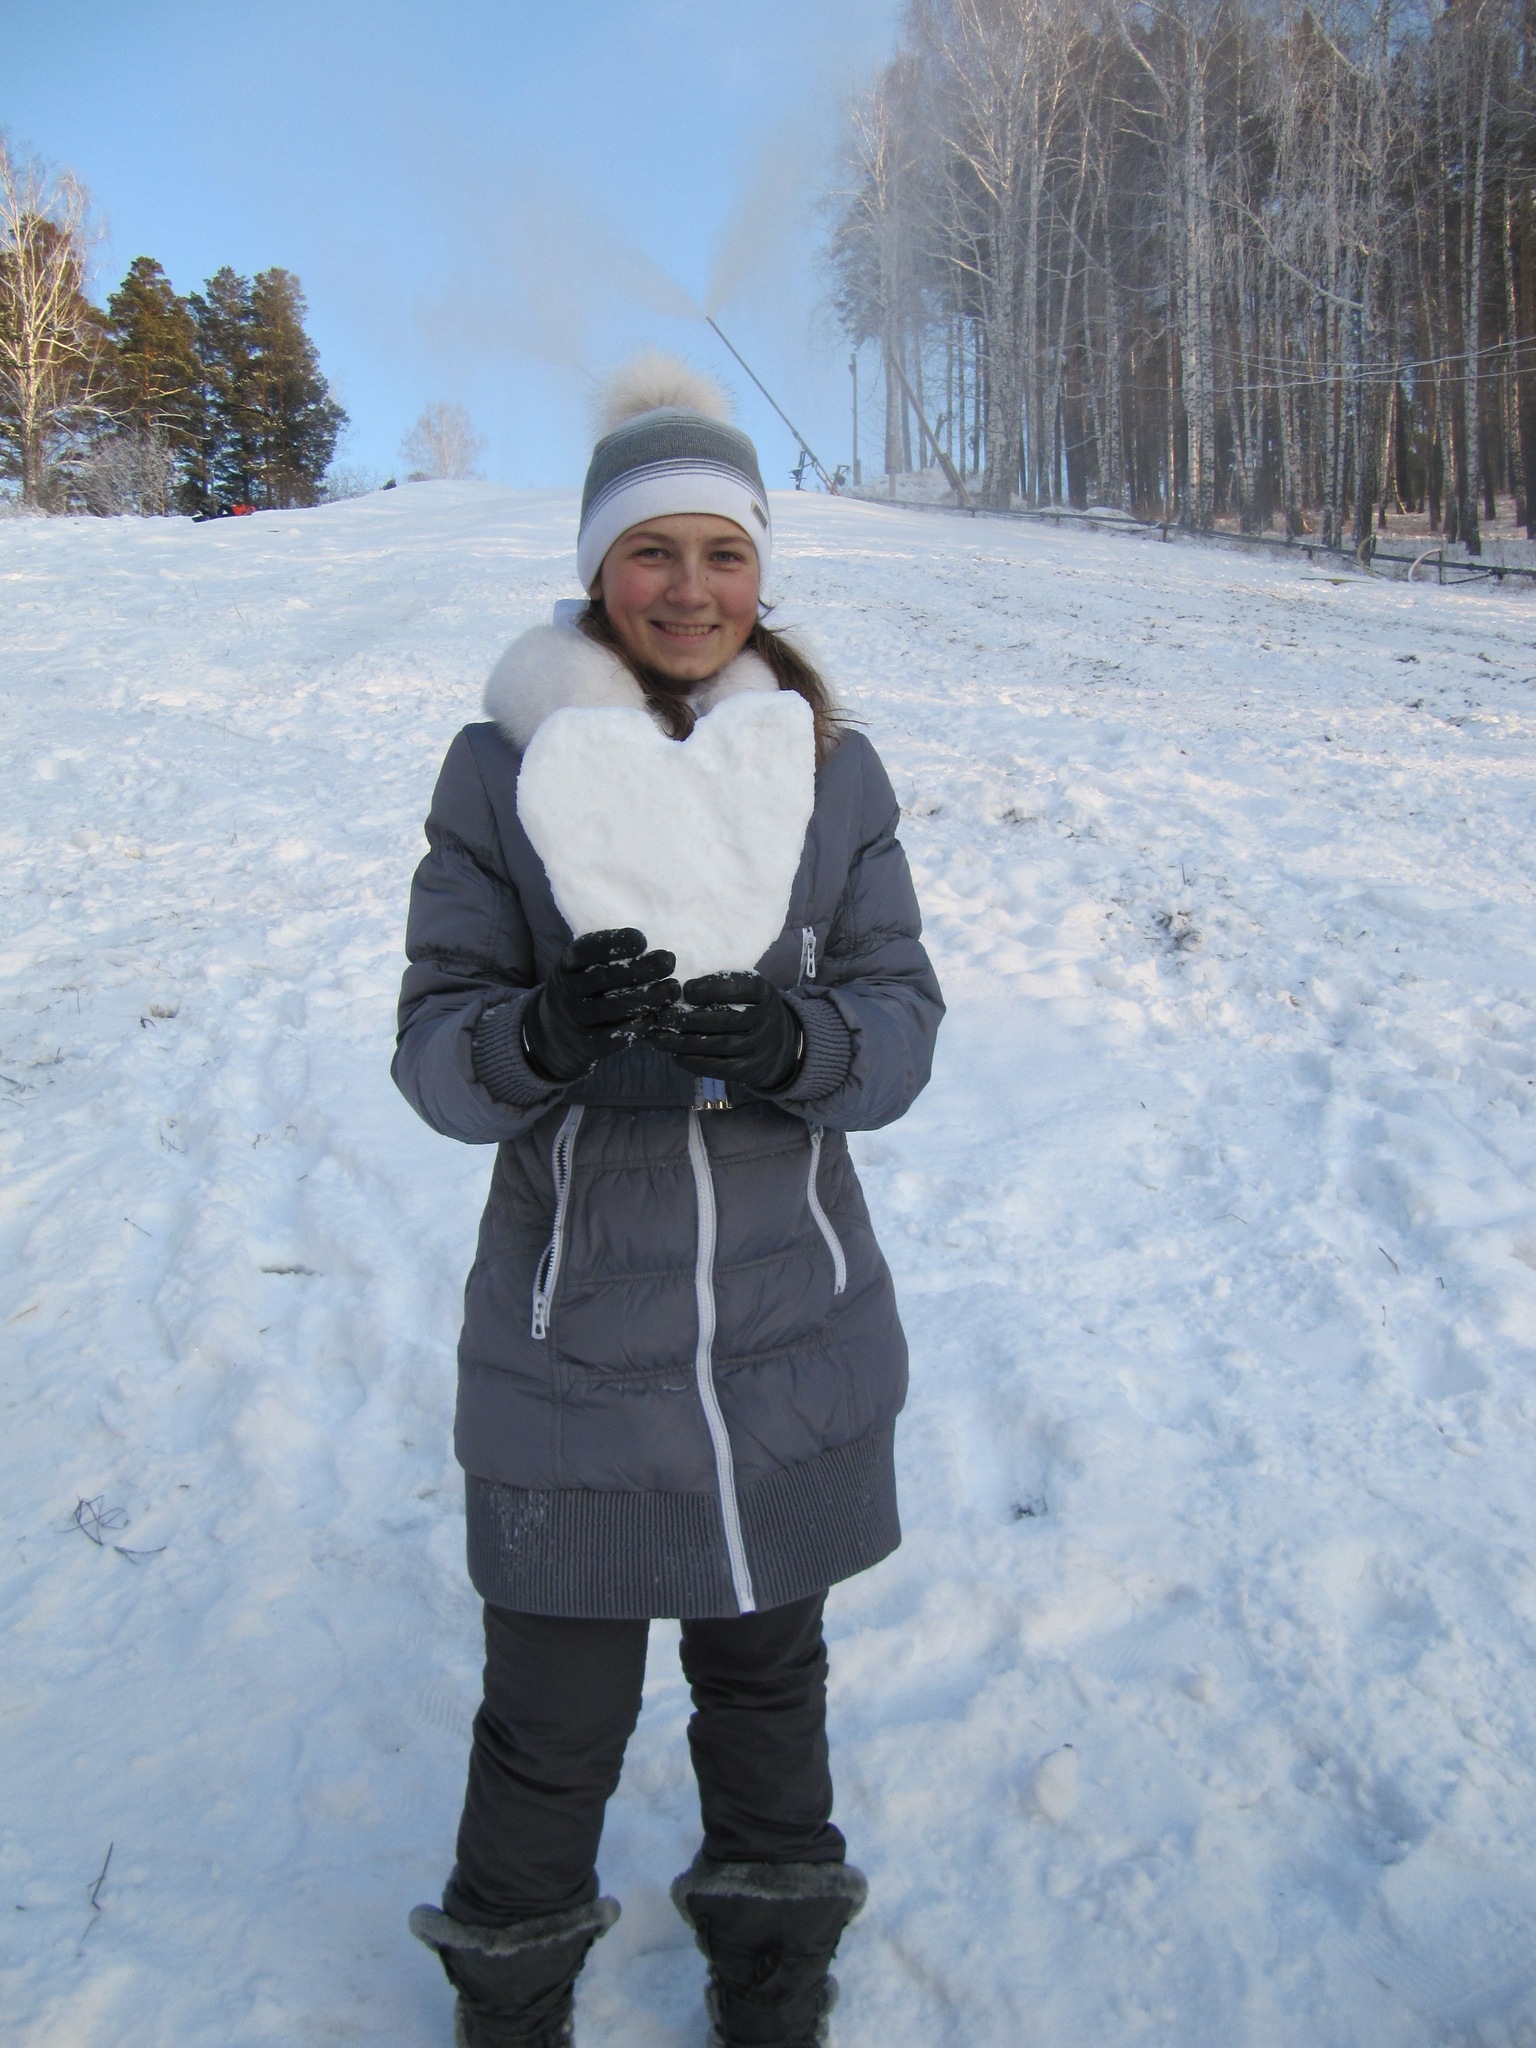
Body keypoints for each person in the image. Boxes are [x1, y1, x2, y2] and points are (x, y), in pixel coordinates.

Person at [393, 356, 944, 2048]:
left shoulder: (832, 773)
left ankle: (774, 1974)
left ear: (763, 571)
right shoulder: (500, 769)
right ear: (595, 569)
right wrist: (543, 1036)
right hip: (570, 1352)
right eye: (651, 551)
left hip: (793, 1337)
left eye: (723, 552)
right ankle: (511, 1998)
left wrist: (799, 1038)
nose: (689, 589)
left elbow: (901, 1020)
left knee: (768, 1688)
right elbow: (436, 1055)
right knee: (551, 1722)